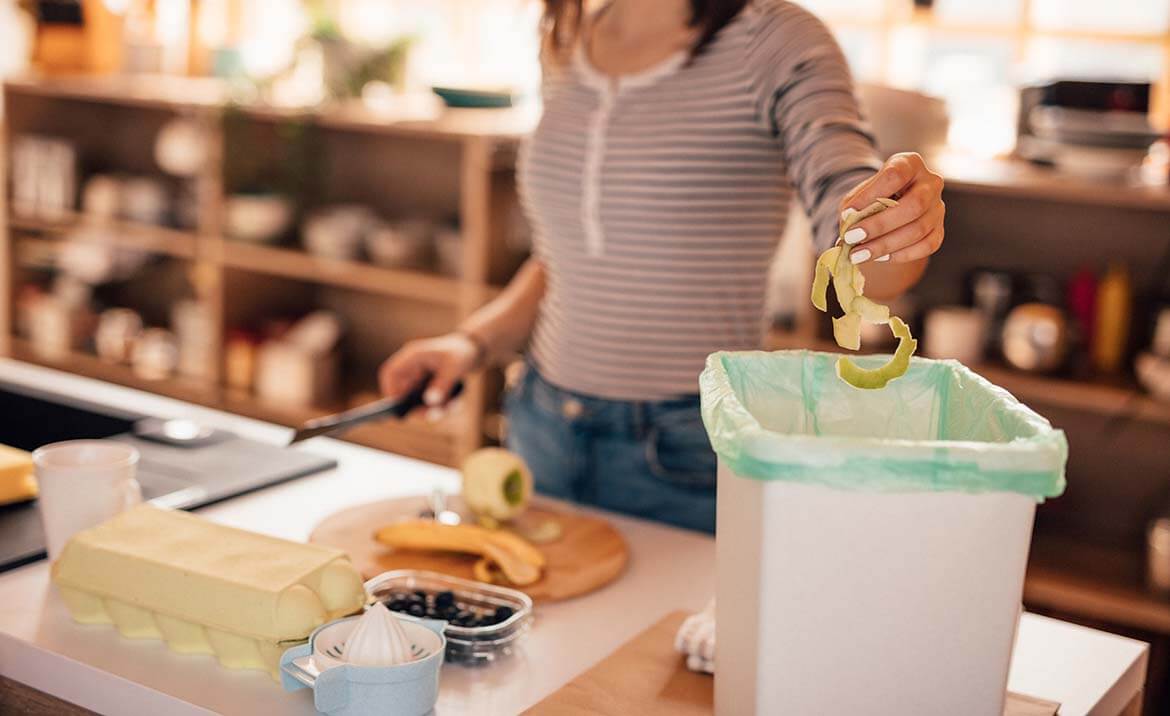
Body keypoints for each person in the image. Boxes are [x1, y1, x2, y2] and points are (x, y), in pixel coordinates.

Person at [379, 0, 946, 534]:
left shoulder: (775, 40)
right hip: (540, 424)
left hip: (685, 449)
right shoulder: (572, 34)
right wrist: (470, 343)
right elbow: (569, 258)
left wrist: (891, 225)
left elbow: (852, 218)